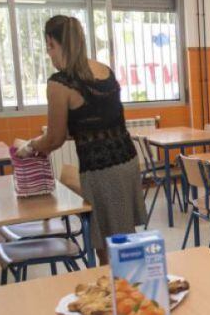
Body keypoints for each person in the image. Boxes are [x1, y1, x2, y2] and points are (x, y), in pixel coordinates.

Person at [19, 15, 146, 264]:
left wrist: (31, 146)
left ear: (52, 43)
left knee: (108, 250)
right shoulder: (104, 70)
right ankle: (127, 288)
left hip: (101, 171)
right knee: (123, 239)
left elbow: (55, 138)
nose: (48, 55)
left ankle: (121, 292)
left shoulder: (60, 83)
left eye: (48, 48)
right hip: (128, 162)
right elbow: (92, 122)